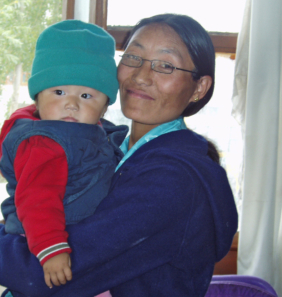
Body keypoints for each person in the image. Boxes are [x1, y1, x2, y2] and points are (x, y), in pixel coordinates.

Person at [0, 14, 238, 297]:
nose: (140, 76)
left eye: (165, 65)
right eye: (133, 57)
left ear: (199, 88)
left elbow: (42, 275)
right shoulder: (109, 145)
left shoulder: (173, 180)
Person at [0, 20, 127, 291]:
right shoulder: (45, 143)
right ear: (37, 97)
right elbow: (37, 197)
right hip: (45, 240)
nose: (71, 103)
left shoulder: (92, 133)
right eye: (58, 92)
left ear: (104, 106)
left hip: (69, 236)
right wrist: (51, 248)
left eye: (86, 95)